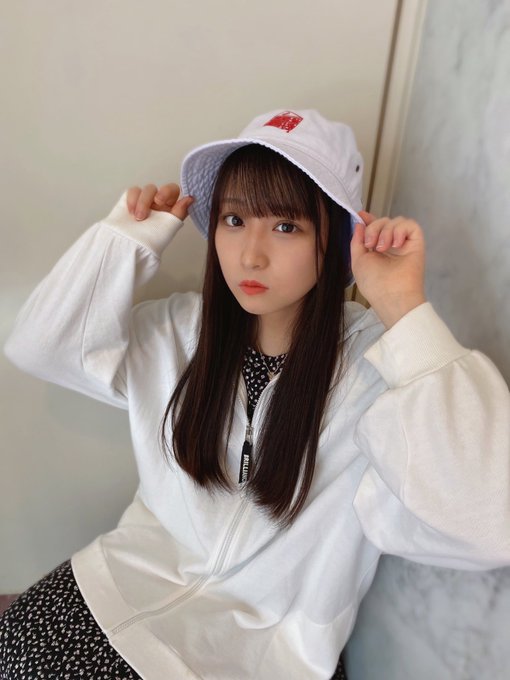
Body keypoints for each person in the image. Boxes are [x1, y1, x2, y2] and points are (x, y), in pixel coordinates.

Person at [1, 108, 509, 680]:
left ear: (337, 240)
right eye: (235, 219)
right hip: (113, 586)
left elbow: (492, 526)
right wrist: (124, 241)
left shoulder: (380, 372)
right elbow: (40, 348)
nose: (250, 254)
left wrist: (404, 310)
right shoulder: (180, 333)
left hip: (255, 653)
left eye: (286, 226)